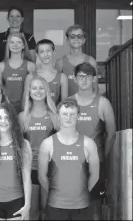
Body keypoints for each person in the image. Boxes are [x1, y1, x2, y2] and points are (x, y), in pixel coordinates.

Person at [38, 98, 100, 220]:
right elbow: (41, 177)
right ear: (58, 116)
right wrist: (56, 195)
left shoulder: (88, 143)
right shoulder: (47, 144)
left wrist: (80, 194)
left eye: (72, 114)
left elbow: (95, 175)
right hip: (55, 205)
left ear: (78, 116)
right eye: (64, 114)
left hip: (82, 206)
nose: (68, 117)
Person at [71, 62, 116, 220]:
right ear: (75, 79)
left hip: (96, 164)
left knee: (95, 208)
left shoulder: (103, 103)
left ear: (94, 79)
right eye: (80, 76)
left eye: (88, 76)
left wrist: (102, 156)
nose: (83, 80)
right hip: (70, 162)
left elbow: (111, 134)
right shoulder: (69, 102)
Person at [0, 102, 32, 220]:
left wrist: (27, 204)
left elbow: (26, 175)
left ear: (13, 119)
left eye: (7, 117)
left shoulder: (23, 144)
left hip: (17, 200)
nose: (3, 121)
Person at [18, 76, 59, 220]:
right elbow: (18, 146)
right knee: (32, 211)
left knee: (48, 209)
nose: (38, 91)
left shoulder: (54, 116)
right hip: (31, 169)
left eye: (42, 88)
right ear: (29, 92)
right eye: (34, 88)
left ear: (47, 91)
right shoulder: (22, 117)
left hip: (51, 169)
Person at [0, 33, 36, 113]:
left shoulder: (30, 66)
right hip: (7, 107)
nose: (15, 45)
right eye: (12, 42)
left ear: (23, 46)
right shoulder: (1, 66)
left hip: (25, 108)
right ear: (8, 45)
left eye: (19, 42)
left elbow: (34, 90)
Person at [55, 25, 98, 96]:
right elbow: (56, 89)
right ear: (67, 40)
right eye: (72, 36)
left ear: (84, 40)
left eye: (79, 36)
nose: (76, 39)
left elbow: (95, 87)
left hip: (87, 103)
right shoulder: (60, 62)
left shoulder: (91, 61)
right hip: (68, 104)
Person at [33, 39, 68, 104]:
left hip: (55, 113)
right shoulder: (31, 76)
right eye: (42, 52)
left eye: (48, 51)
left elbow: (64, 104)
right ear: (37, 55)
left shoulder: (62, 77)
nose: (45, 54)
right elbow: (26, 103)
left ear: (53, 52)